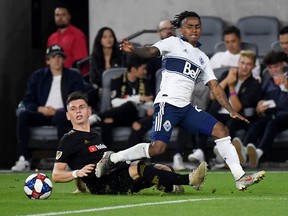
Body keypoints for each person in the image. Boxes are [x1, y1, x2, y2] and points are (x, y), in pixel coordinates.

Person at [96, 11, 265, 191]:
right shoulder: (172, 42)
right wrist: (135, 50)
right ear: (181, 29)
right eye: (189, 26)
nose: (194, 30)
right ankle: (112, 158)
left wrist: (230, 110)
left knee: (221, 130)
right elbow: (151, 50)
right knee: (158, 148)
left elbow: (215, 86)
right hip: (167, 104)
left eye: (197, 26)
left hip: (186, 108)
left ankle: (239, 177)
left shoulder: (202, 58)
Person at [52, 91, 207, 195]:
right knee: (138, 168)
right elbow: (56, 175)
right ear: (68, 115)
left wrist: (80, 183)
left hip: (117, 171)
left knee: (162, 168)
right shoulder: (68, 139)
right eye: (73, 109)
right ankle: (190, 179)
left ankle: (171, 187)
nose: (78, 111)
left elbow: (85, 160)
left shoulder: (94, 135)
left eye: (81, 107)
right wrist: (76, 173)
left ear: (89, 112)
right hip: (103, 183)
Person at [11, 44, 85, 172]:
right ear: (47, 60)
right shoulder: (37, 76)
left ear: (64, 59)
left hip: (62, 113)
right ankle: (23, 159)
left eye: (59, 57)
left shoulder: (73, 76)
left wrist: (62, 110)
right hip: (42, 112)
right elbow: (28, 100)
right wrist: (40, 109)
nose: (56, 60)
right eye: (53, 57)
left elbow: (80, 97)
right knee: (23, 115)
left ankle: (63, 160)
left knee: (62, 116)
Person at [189, 50, 261, 166]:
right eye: (242, 63)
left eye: (248, 64)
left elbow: (237, 108)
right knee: (204, 118)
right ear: (238, 62)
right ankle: (200, 151)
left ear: (253, 66)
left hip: (237, 116)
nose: (244, 67)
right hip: (218, 112)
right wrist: (227, 80)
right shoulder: (227, 74)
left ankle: (221, 152)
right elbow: (213, 96)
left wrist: (232, 87)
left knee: (231, 123)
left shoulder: (254, 84)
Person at [233, 51, 288, 168]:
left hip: (285, 115)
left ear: (283, 65)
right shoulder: (268, 83)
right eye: (270, 68)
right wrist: (259, 108)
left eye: (276, 66)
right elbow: (261, 102)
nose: (274, 71)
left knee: (272, 124)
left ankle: (259, 153)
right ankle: (244, 150)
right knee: (257, 124)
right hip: (272, 115)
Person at [89, 55, 153, 147]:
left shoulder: (145, 82)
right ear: (134, 69)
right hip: (120, 115)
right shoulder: (117, 80)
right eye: (143, 69)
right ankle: (106, 154)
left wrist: (133, 101)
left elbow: (149, 103)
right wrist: (139, 99)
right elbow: (115, 102)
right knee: (108, 120)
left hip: (136, 115)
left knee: (130, 105)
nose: (145, 71)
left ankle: (97, 117)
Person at [88, 27, 126, 111]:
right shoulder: (94, 57)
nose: (108, 39)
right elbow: (93, 77)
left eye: (111, 36)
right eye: (105, 37)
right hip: (100, 89)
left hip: (119, 86)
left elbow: (124, 73)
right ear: (100, 40)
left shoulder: (120, 55)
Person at [47, 5, 88, 73]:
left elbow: (81, 62)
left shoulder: (77, 35)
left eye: (63, 15)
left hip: (72, 78)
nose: (60, 18)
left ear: (69, 17)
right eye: (57, 15)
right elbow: (48, 61)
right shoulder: (51, 38)